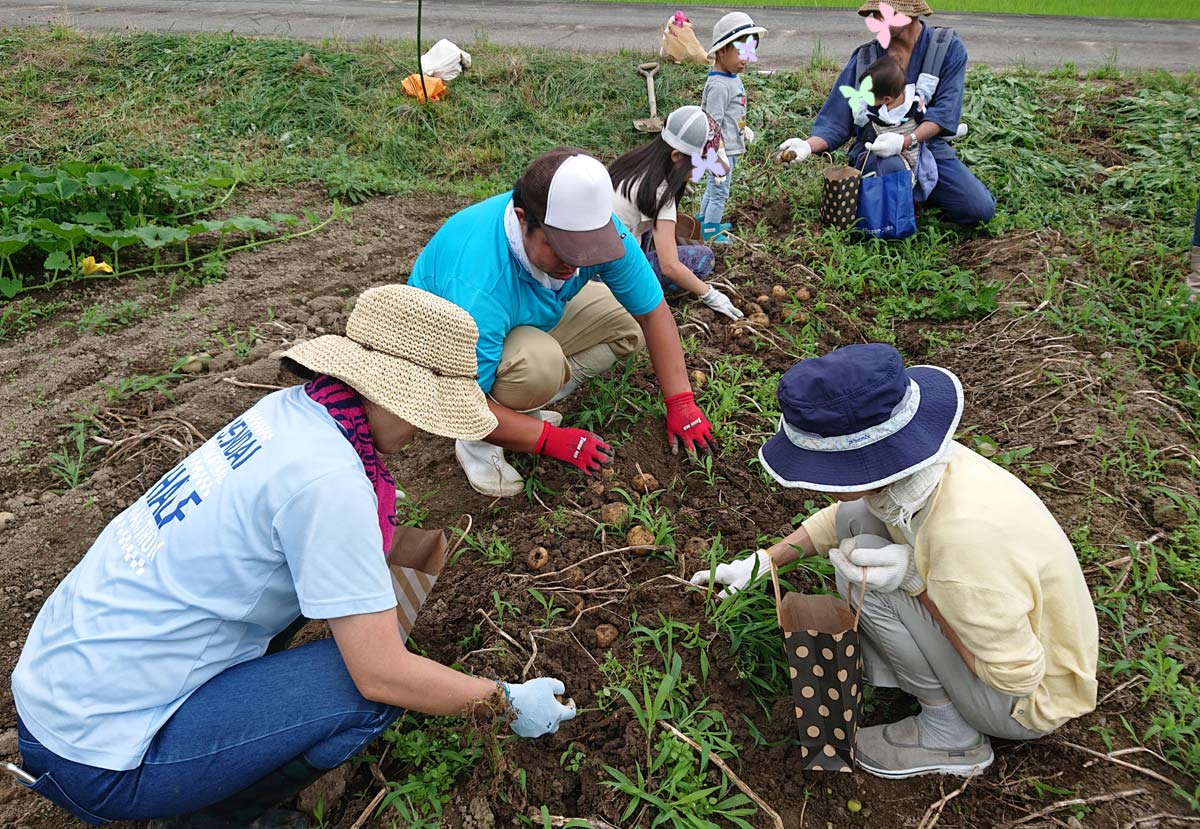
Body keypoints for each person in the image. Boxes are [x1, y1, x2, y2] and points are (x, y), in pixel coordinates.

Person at [9, 286, 577, 827]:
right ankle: (211, 819)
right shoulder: (330, 483)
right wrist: (502, 700)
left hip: (54, 693)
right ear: (389, 394)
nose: (428, 432)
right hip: (98, 756)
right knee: (364, 693)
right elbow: (381, 674)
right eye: (426, 415)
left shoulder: (288, 412)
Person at [690, 344, 1098, 779]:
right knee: (855, 522)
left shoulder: (961, 541)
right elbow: (840, 517)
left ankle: (951, 735)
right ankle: (924, 676)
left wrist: (916, 585)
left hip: (1026, 702)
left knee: (865, 577)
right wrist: (761, 563)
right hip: (1003, 632)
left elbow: (1015, 676)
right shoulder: (925, 469)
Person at [408, 147, 715, 498]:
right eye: (563, 247)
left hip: (525, 312)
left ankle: (519, 411)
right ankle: (476, 443)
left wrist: (681, 402)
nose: (577, 262)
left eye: (588, 247)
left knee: (625, 326)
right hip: (447, 362)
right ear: (524, 219)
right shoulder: (480, 287)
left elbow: (652, 312)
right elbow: (461, 400)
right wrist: (550, 441)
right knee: (539, 366)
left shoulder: (597, 229)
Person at [778, 0, 994, 227]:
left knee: (979, 210)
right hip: (875, 148)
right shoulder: (866, 59)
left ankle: (918, 196)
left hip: (926, 148)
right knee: (883, 209)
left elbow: (944, 112)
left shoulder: (945, 48)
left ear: (910, 14)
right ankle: (903, 202)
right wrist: (807, 145)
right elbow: (837, 120)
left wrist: (906, 140)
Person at [609, 105, 743, 321]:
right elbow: (669, 266)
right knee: (702, 258)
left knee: (652, 233)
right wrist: (709, 294)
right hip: (608, 278)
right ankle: (638, 294)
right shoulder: (661, 193)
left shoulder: (634, 162)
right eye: (697, 164)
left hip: (594, 255)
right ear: (676, 156)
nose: (696, 173)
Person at [698, 11, 767, 244]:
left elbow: (732, 112)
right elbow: (712, 122)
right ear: (722, 50)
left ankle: (703, 220)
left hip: (731, 144)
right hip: (721, 151)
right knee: (719, 191)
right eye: (742, 52)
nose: (747, 59)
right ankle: (711, 231)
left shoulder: (731, 78)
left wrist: (742, 128)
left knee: (712, 188)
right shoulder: (719, 85)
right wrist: (716, 153)